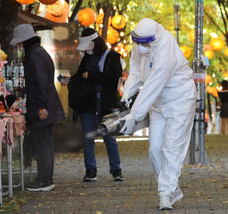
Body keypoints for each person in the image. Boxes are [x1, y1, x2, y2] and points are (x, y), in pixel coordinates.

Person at [119, 18, 195, 210]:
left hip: (180, 100)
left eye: (144, 43)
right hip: (158, 103)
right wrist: (128, 91)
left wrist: (134, 115)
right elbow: (136, 69)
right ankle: (172, 188)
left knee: (171, 148)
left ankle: (165, 194)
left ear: (154, 39)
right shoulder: (139, 45)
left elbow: (154, 84)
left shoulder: (166, 50)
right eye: (138, 42)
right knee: (154, 149)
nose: (140, 47)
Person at [10, 24, 65, 192]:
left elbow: (40, 82)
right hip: (47, 103)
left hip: (43, 105)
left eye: (20, 43)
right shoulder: (39, 52)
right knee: (45, 143)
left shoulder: (34, 55)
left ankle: (43, 179)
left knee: (42, 143)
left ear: (25, 41)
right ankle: (46, 177)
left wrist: (41, 106)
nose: (19, 47)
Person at [74, 27, 124, 182]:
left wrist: (92, 76)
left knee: (109, 137)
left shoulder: (113, 57)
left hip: (106, 104)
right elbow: (79, 75)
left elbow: (113, 77)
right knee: (88, 138)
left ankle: (116, 170)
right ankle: (90, 170)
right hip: (88, 104)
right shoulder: (86, 59)